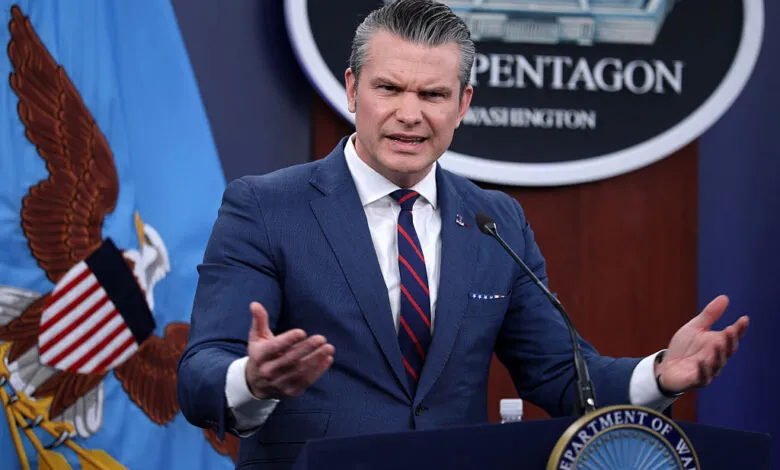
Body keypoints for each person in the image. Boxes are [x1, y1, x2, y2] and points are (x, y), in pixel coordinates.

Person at [176, 1, 749, 468]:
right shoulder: (266, 207)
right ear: (352, 90)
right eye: (389, 88)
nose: (410, 114)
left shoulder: (494, 220)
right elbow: (200, 372)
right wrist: (251, 380)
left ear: (462, 104)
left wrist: (659, 375)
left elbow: (560, 374)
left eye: (432, 95)